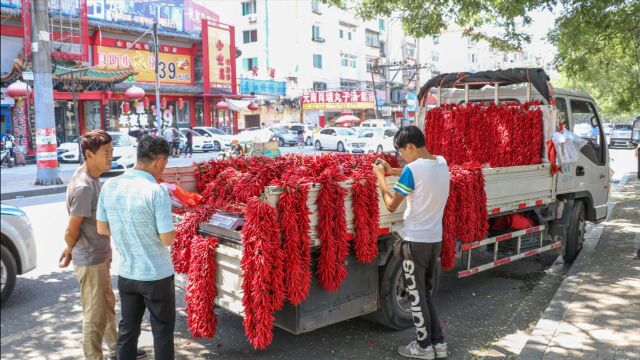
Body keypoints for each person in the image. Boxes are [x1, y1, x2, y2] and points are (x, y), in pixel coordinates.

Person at [58, 130, 146, 360]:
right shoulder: (84, 186)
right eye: (106, 153)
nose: (110, 157)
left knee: (107, 306)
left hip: (99, 256)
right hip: (90, 260)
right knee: (94, 315)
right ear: (89, 154)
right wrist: (71, 248)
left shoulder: (93, 178)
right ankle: (93, 356)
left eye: (112, 152)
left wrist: (70, 249)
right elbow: (71, 229)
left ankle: (118, 349)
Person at [372, 126, 450, 360]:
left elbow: (391, 205)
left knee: (416, 296)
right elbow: (417, 173)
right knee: (424, 294)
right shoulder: (442, 163)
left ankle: (423, 347)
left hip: (414, 242)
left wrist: (380, 179)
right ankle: (438, 343)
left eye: (401, 153)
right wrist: (393, 169)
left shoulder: (413, 170)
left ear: (410, 147)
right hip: (434, 239)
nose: (401, 157)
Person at [96, 135, 175, 360]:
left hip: (127, 274)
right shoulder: (156, 191)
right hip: (156, 275)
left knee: (128, 330)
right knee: (162, 331)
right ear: (160, 161)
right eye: (165, 164)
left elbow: (103, 229)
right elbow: (167, 238)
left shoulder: (110, 185)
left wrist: (128, 228)